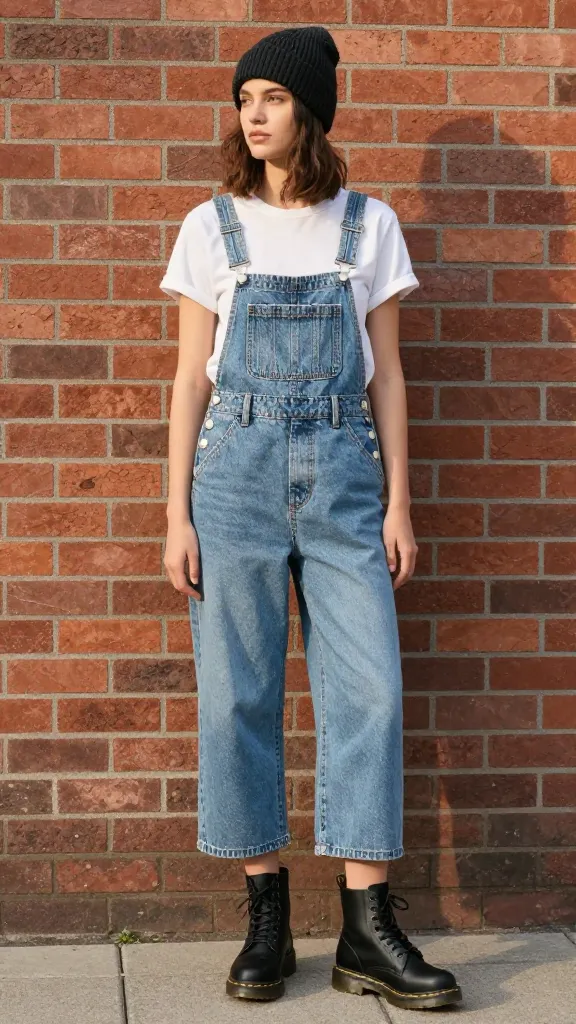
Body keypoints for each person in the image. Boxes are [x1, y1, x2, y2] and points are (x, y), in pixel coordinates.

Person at [160, 24, 462, 1011]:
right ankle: (267, 918)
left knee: (369, 692)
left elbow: (392, 377)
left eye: (274, 97)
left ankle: (367, 930)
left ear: (312, 111)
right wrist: (176, 513)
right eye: (245, 96)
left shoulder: (367, 226)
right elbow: (185, 382)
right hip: (233, 479)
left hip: (344, 476)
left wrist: (402, 503)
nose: (254, 113)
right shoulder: (212, 226)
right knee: (237, 696)